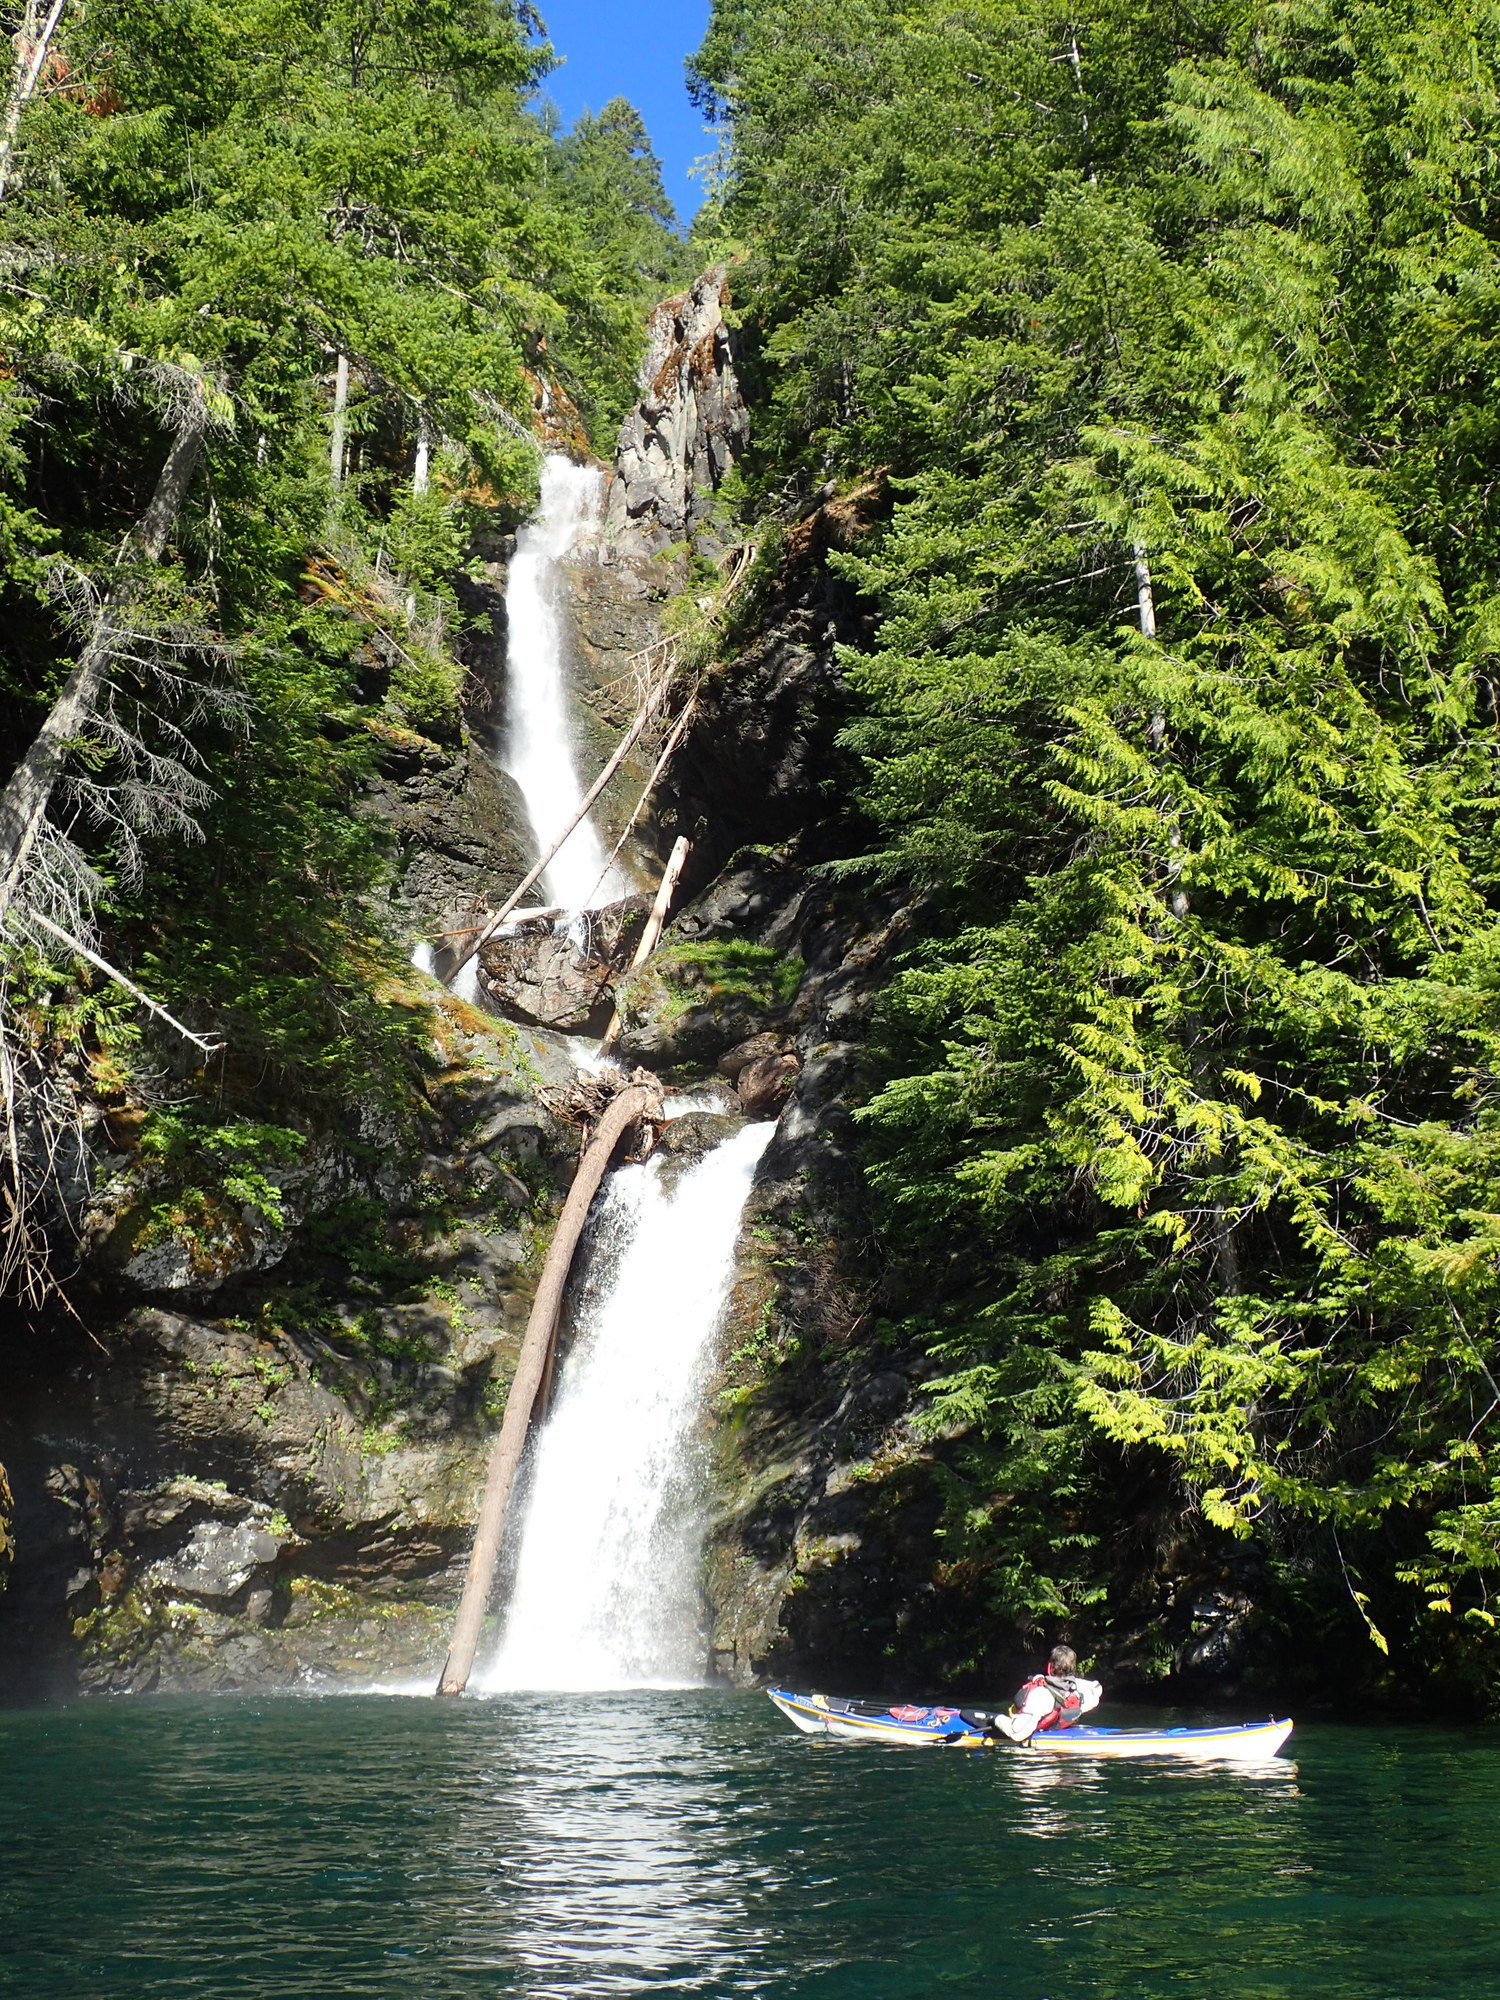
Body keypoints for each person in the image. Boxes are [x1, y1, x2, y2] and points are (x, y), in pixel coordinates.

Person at [991, 1644, 1102, 1744]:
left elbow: (1017, 1734)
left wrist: (995, 1719)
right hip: (1061, 1735)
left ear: (1049, 1667)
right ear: (1073, 1668)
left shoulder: (1041, 1695)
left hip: (1040, 1759)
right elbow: (1097, 1687)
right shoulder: (1081, 1688)